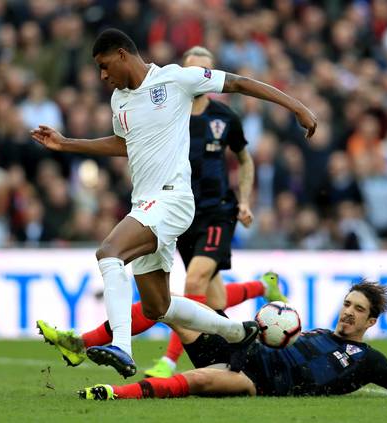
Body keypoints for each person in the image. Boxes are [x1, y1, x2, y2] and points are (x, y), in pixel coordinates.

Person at [30, 29, 317, 378]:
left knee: (109, 253)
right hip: (145, 205)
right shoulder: (119, 100)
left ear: (122, 54)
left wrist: (298, 107)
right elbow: (125, 145)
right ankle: (239, 333)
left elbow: (240, 83)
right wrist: (68, 144)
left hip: (173, 199)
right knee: (158, 306)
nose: (102, 76)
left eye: (104, 66)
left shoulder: (176, 79)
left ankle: (121, 346)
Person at [40, 281, 387, 401]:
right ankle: (83, 345)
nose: (347, 312)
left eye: (357, 309)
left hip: (259, 381)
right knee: (167, 305)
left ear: (371, 321)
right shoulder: (316, 332)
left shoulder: (368, 361)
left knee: (199, 381)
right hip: (244, 346)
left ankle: (112, 394)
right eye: (346, 304)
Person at [144, 46, 286, 378]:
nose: (201, 78)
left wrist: (245, 201)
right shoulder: (168, 116)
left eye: (207, 72)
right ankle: (263, 286)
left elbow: (245, 159)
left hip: (218, 212)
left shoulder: (225, 118)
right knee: (213, 296)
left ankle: (169, 360)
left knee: (193, 280)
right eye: (195, 71)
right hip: (182, 216)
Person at [36, 272, 283, 367]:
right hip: (233, 350)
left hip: (226, 353)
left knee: (165, 302)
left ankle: (81, 344)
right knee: (206, 297)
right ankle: (263, 286)